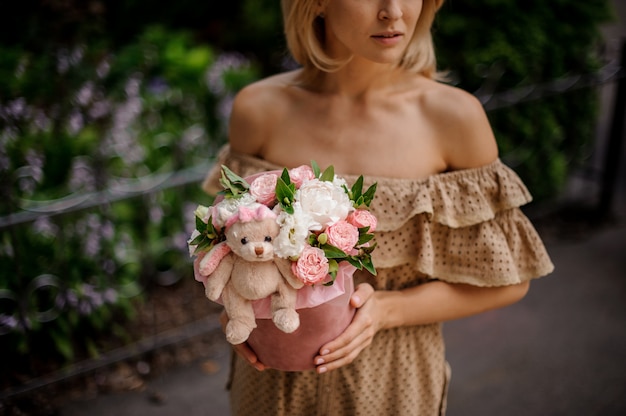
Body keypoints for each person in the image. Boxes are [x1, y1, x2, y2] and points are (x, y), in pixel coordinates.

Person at [202, 0, 554, 414]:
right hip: (269, 386)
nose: (393, 11)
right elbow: (229, 244)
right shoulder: (258, 109)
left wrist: (387, 311)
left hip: (390, 386)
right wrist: (238, 313)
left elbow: (510, 280)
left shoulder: (452, 117)